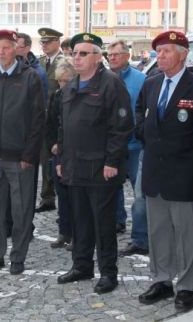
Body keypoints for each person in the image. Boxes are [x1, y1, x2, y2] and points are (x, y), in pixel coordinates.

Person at [136, 30, 193, 310]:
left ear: (183, 54)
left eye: (167, 51)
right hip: (154, 172)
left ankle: (186, 286)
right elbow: (141, 116)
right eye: (158, 51)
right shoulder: (151, 83)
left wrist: (192, 165)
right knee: (158, 230)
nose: (160, 56)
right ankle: (161, 280)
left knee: (185, 233)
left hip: (184, 173)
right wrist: (146, 135)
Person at [55, 33, 133, 294]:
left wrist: (112, 161)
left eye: (83, 53)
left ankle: (108, 272)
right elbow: (63, 126)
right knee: (81, 221)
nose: (77, 57)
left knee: (103, 224)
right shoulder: (71, 85)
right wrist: (62, 159)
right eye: (75, 53)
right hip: (75, 166)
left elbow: (121, 126)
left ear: (98, 57)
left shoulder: (111, 84)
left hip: (101, 168)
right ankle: (82, 265)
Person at [0, 29, 45, 275]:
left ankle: (18, 257)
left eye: (5, 47)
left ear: (15, 49)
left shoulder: (30, 77)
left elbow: (37, 119)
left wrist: (29, 155)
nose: (1, 52)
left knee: (21, 210)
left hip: (19, 158)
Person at [106, 41, 148, 254]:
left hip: (135, 145)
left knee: (140, 194)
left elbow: (144, 111)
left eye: (116, 54)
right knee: (113, 187)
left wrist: (139, 133)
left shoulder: (141, 80)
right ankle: (116, 221)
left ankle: (140, 238)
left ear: (127, 55)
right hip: (113, 145)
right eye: (109, 54)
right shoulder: (104, 78)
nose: (111, 58)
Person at [46, 58, 75, 249]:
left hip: (74, 151)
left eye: (66, 81)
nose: (63, 85)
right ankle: (64, 232)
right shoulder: (56, 96)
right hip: (59, 151)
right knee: (62, 194)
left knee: (76, 196)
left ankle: (78, 233)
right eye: (60, 81)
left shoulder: (79, 95)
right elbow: (50, 124)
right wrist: (53, 144)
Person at [37, 27, 64, 213]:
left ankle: (60, 197)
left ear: (57, 43)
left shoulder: (65, 63)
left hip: (58, 120)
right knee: (44, 159)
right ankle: (47, 197)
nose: (45, 45)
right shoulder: (40, 62)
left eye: (48, 42)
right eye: (43, 42)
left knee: (57, 161)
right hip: (41, 120)